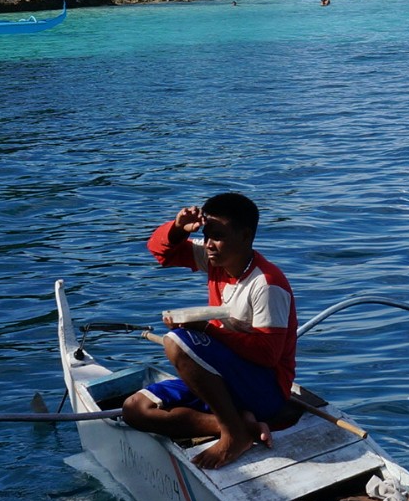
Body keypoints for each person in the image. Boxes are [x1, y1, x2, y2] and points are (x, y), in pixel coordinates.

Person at [123, 192, 299, 468]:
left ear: (245, 236)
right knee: (134, 409)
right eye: (206, 235)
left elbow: (268, 355)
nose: (208, 244)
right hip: (226, 379)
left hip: (266, 390)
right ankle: (236, 425)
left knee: (175, 342)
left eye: (218, 236)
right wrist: (179, 227)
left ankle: (234, 436)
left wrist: (207, 329)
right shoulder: (215, 259)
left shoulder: (266, 284)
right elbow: (161, 252)